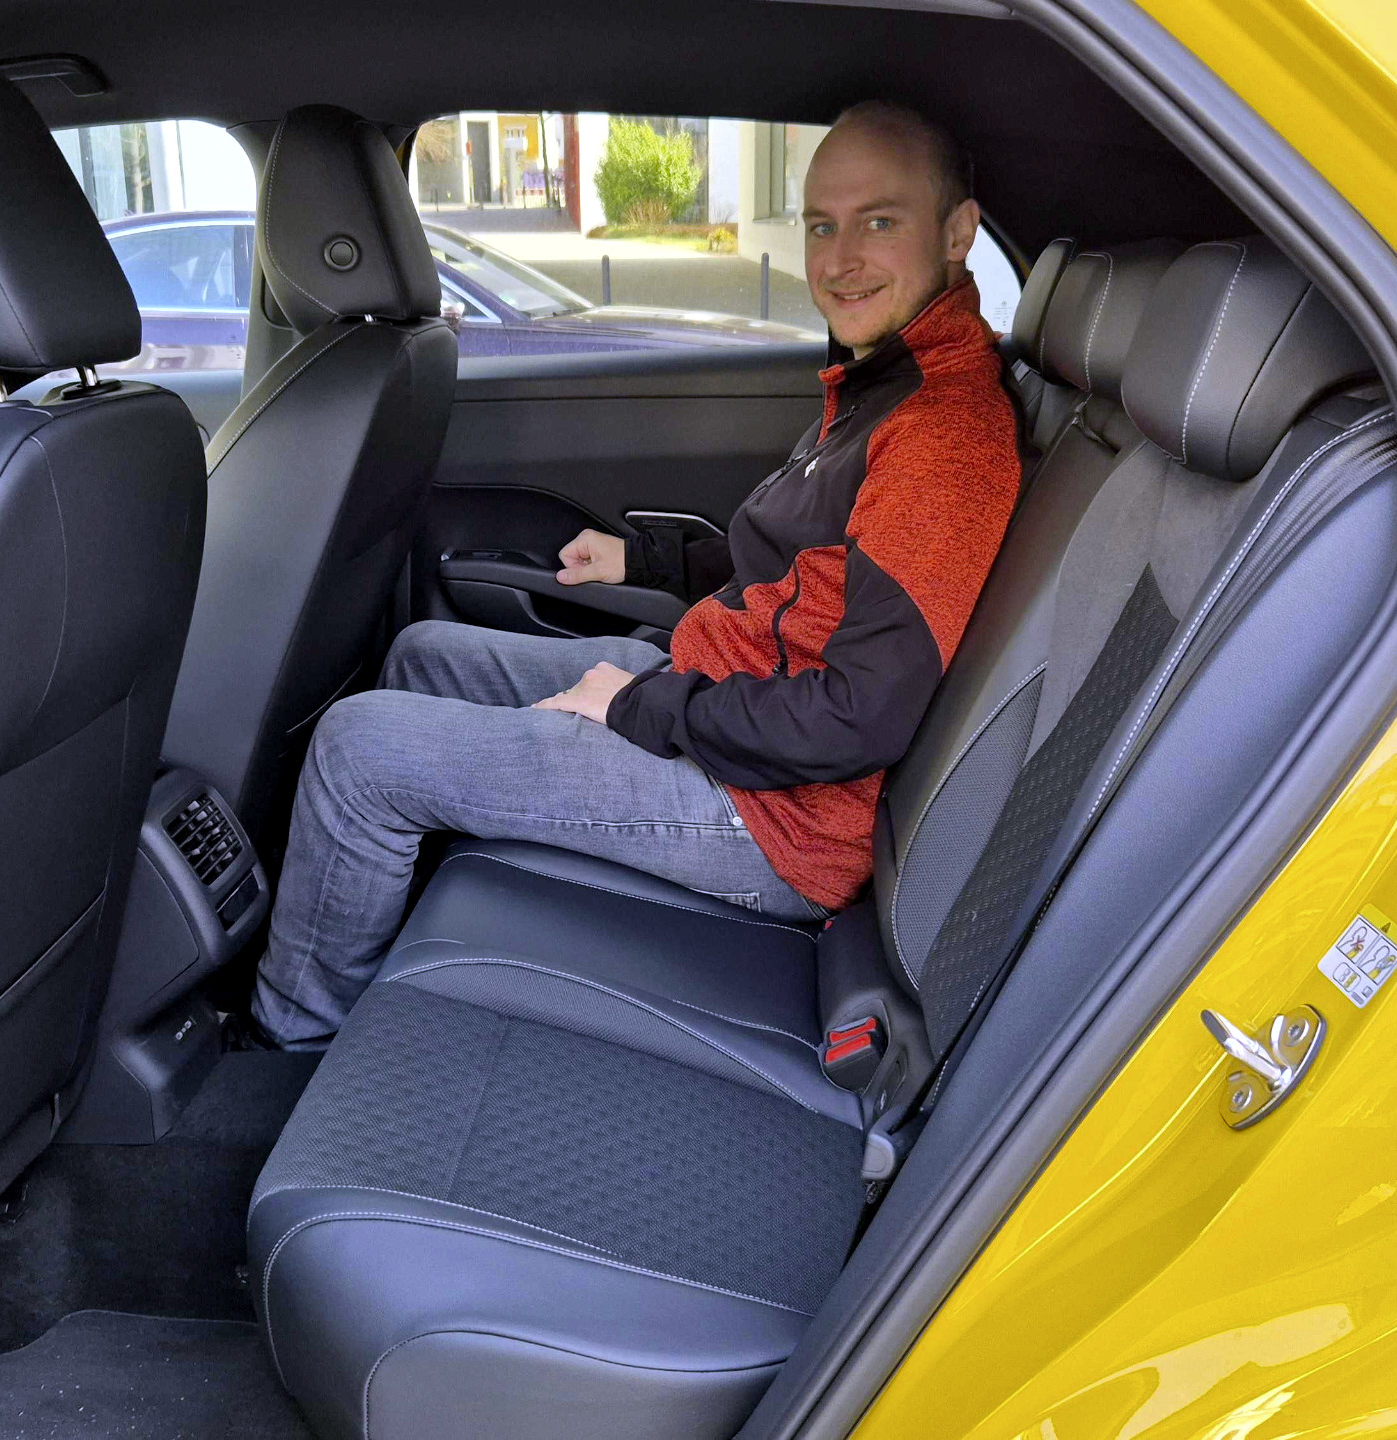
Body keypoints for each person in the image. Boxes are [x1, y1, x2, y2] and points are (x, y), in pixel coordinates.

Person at [252, 100, 1024, 1048]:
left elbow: (856, 717)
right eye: (822, 225)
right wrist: (645, 559)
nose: (840, 258)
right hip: (728, 710)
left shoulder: (942, 438)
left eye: (880, 221)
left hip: (774, 820)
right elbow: (797, 571)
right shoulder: (880, 382)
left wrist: (640, 706)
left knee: (357, 750)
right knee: (424, 654)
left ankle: (294, 1037)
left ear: (958, 233)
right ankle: (387, 925)